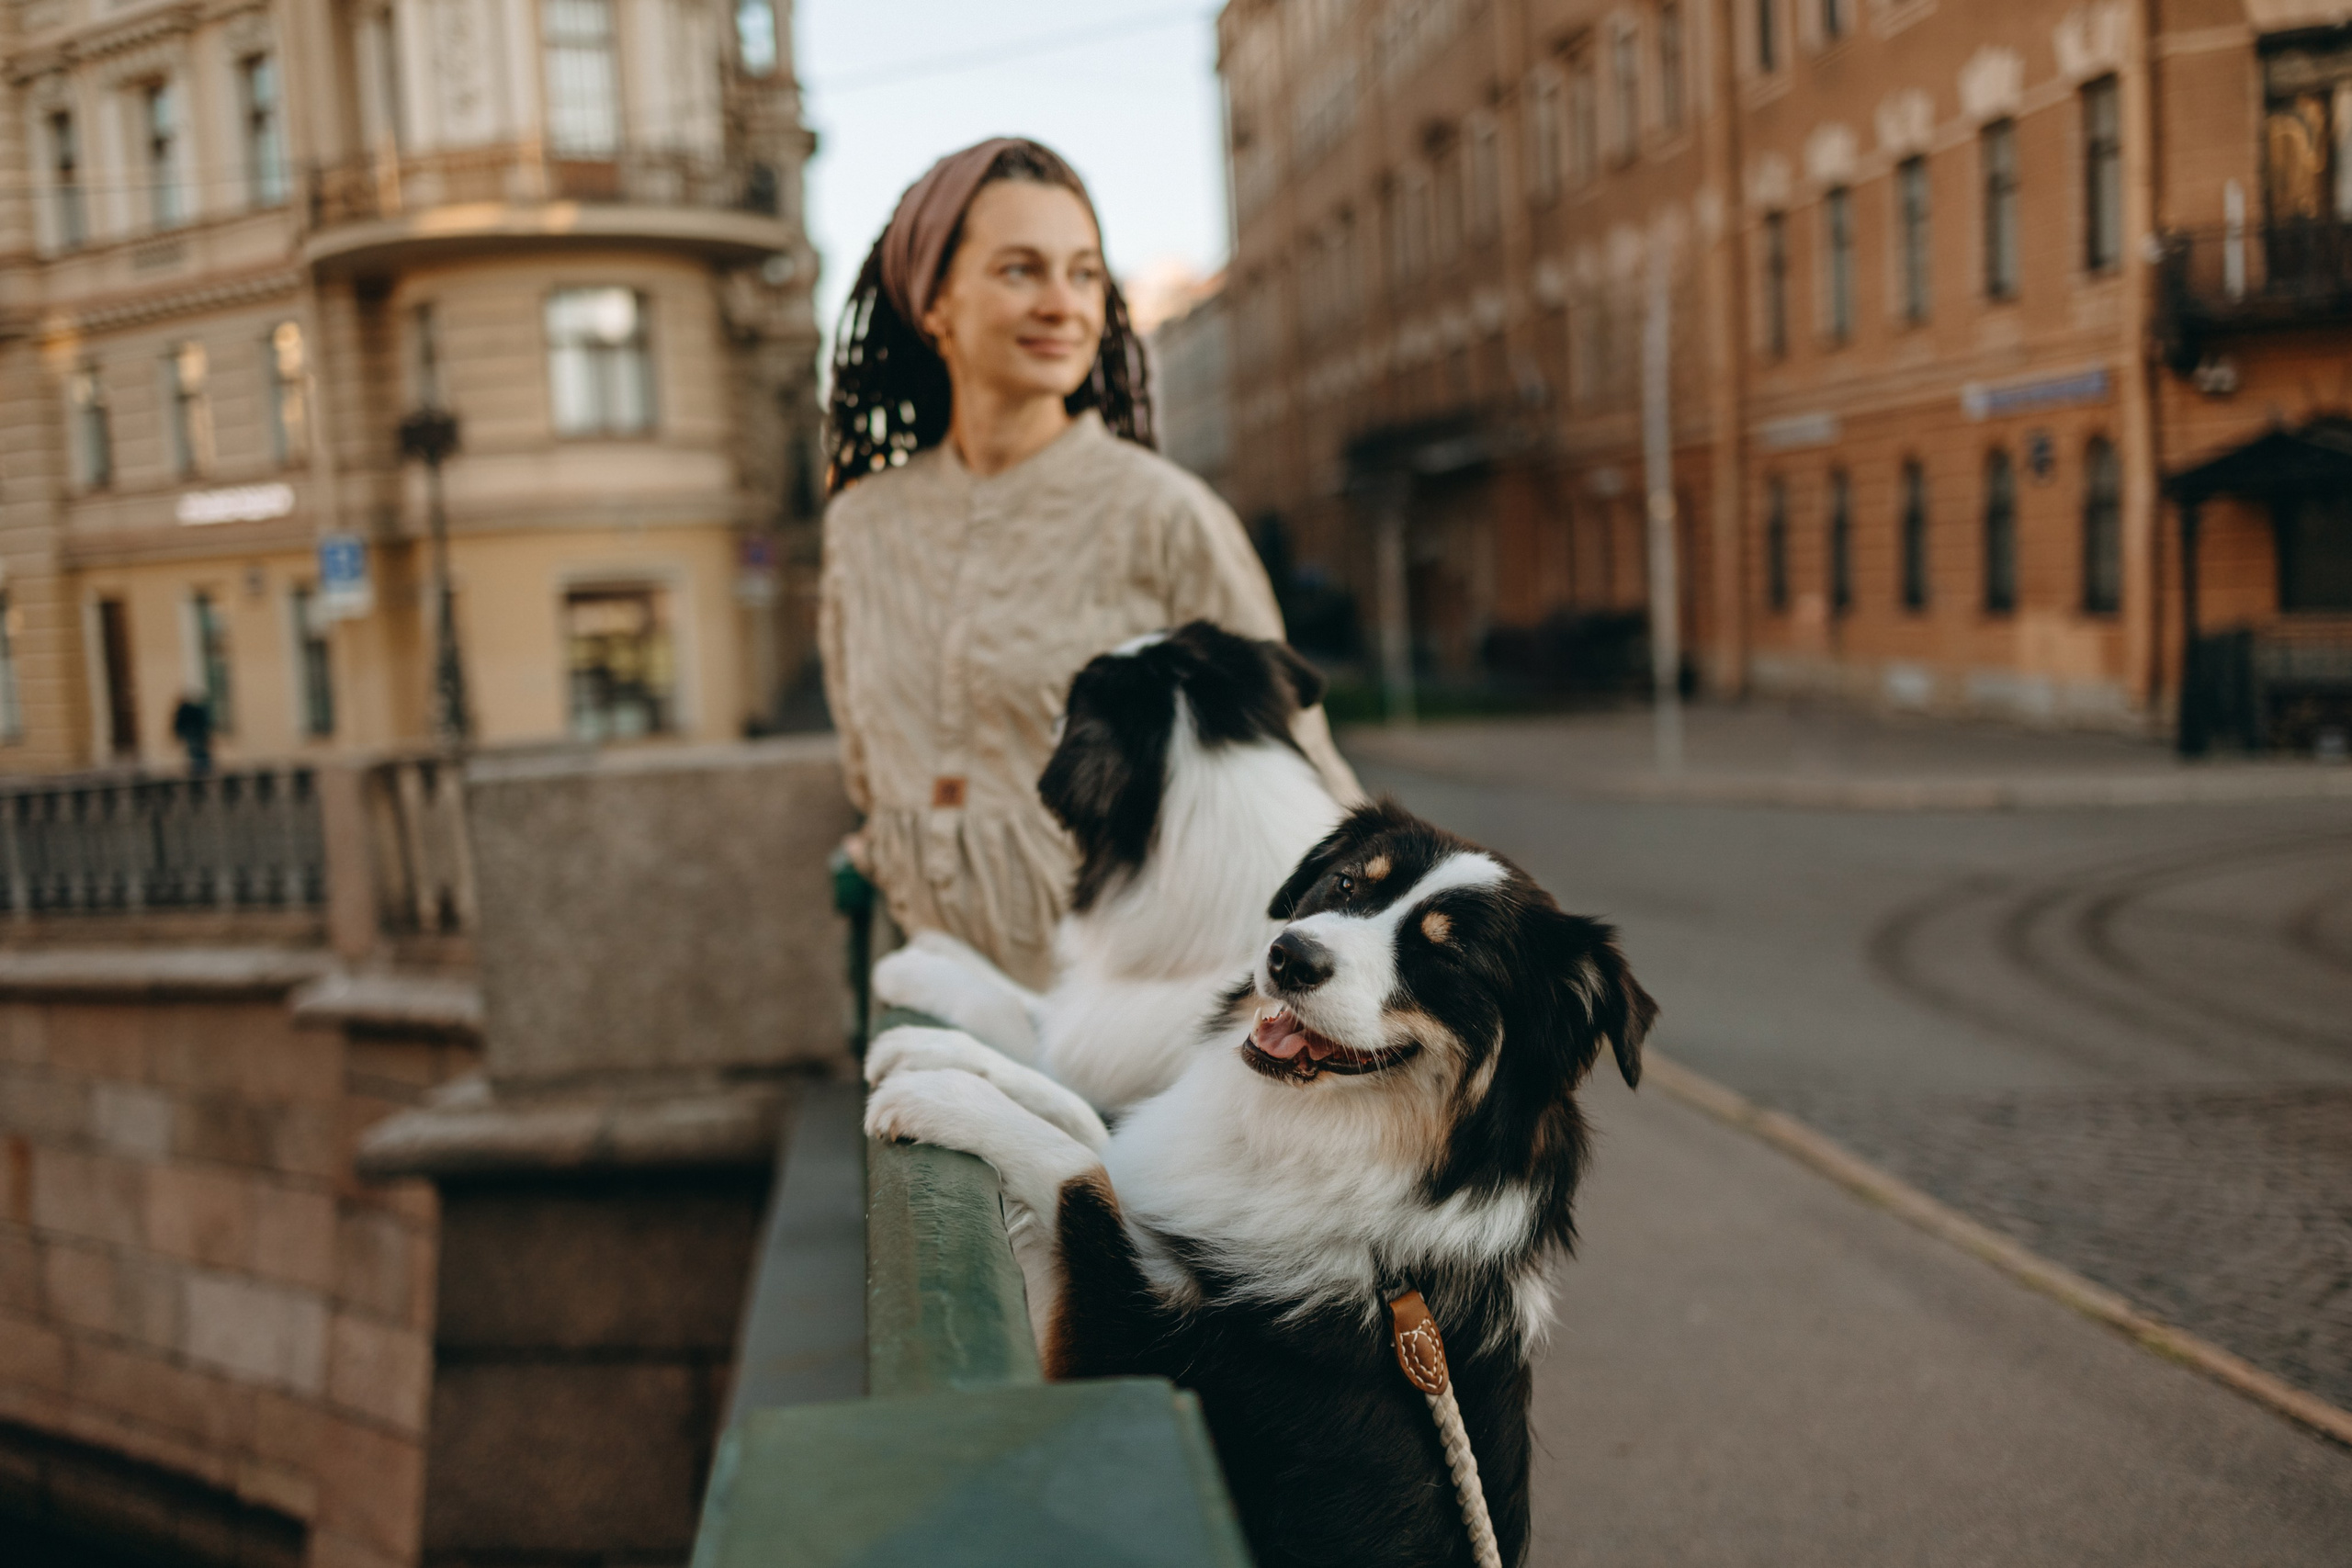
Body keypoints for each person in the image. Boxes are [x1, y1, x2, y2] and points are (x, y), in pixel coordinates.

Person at [820, 137, 1359, 989]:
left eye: (1083, 274)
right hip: (935, 994)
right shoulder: (861, 525)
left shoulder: (1166, 514)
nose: (1063, 304)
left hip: (1123, 1017)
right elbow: (870, 767)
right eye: (1020, 270)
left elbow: (1302, 768)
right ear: (934, 301)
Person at [171, 690, 213, 776]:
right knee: (197, 751)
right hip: (196, 734)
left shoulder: (186, 710)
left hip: (193, 734)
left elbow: (180, 722)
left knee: (195, 751)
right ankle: (201, 768)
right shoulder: (197, 709)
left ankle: (199, 769)